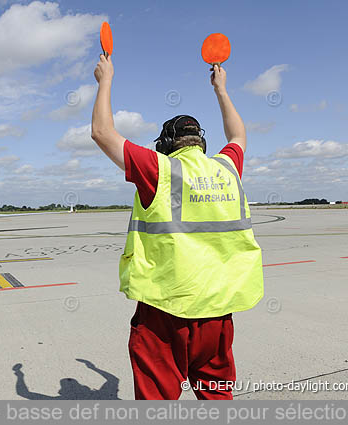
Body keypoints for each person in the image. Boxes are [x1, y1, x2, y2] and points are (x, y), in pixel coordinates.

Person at [90, 54, 264, 400]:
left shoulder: (160, 170)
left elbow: (102, 133)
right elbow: (239, 134)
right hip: (217, 313)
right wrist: (222, 90)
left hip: (164, 313)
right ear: (201, 143)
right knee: (217, 396)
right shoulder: (227, 168)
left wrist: (105, 79)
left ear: (167, 146)